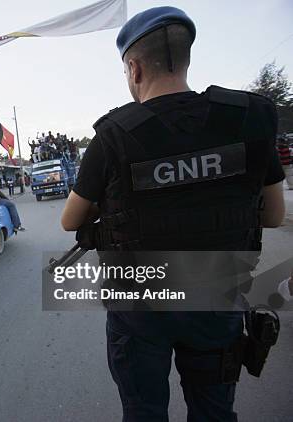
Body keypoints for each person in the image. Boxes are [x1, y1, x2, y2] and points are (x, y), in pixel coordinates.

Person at [60, 7, 285, 421]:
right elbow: (272, 215)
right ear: (185, 59)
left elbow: (70, 221)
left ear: (134, 68)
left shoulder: (113, 135)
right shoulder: (248, 118)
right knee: (214, 411)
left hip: (140, 306)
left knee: (144, 411)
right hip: (216, 297)